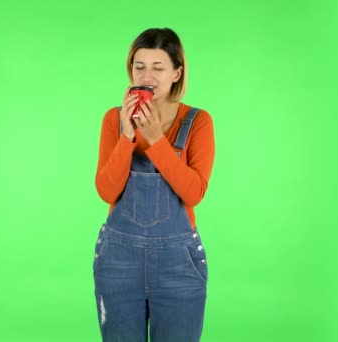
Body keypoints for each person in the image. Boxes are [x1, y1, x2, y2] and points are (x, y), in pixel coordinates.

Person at [93, 27, 215, 342]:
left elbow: (194, 192)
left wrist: (157, 141)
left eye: (158, 68)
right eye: (139, 66)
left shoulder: (198, 123)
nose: (147, 75)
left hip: (179, 264)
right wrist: (127, 135)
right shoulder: (113, 119)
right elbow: (107, 191)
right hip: (118, 261)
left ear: (177, 73)